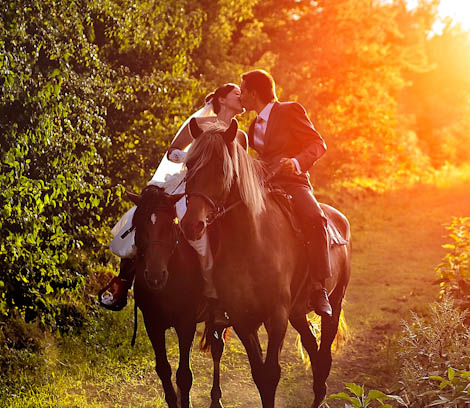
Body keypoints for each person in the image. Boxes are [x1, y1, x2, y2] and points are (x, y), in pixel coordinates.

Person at [99, 83, 247, 314]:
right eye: (237, 94)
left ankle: (221, 295)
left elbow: (239, 171)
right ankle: (122, 283)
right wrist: (194, 157)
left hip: (218, 194)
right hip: (189, 183)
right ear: (222, 99)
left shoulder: (240, 135)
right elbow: (173, 150)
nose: (242, 97)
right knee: (143, 218)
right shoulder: (199, 124)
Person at [240, 69, 333, 317]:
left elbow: (317, 144)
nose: (240, 95)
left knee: (314, 217)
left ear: (253, 92)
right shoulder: (251, 125)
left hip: (293, 182)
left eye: (243, 90)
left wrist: (297, 161)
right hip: (263, 184)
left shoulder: (290, 110)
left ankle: (318, 287)